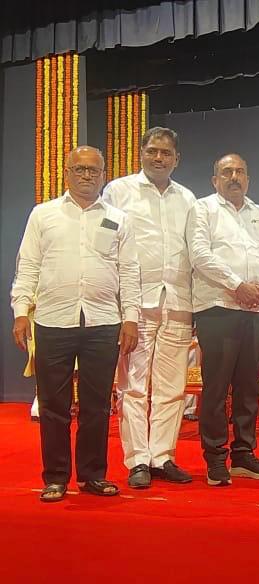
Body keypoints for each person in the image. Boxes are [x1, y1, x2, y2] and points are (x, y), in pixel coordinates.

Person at [11, 145, 141, 502]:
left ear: (103, 175)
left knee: (97, 406)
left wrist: (131, 318)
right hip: (53, 320)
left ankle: (92, 475)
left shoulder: (119, 218)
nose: (86, 175)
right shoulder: (43, 215)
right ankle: (55, 477)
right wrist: (21, 310)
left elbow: (130, 271)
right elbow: (28, 265)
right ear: (67, 173)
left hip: (104, 321)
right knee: (53, 405)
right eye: (79, 169)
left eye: (93, 170)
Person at [103, 127, 196, 489]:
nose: (159, 158)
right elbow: (105, 245)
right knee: (133, 386)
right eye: (153, 151)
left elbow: (195, 252)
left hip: (178, 301)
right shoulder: (119, 191)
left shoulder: (187, 198)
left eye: (166, 152)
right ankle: (138, 459)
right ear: (141, 153)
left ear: (177, 159)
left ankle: (163, 456)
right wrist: (118, 304)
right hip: (135, 305)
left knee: (173, 387)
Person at [187, 153, 259, 486]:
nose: (234, 177)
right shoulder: (203, 209)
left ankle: (244, 454)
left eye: (240, 172)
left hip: (256, 309)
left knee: (248, 387)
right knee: (216, 387)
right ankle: (216, 458)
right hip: (218, 308)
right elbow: (199, 254)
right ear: (215, 180)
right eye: (227, 172)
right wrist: (237, 285)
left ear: (248, 179)